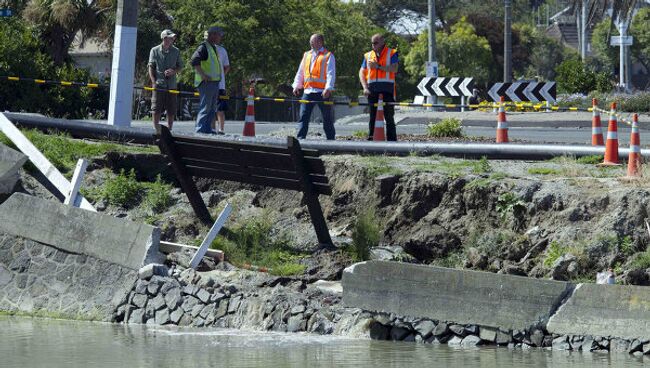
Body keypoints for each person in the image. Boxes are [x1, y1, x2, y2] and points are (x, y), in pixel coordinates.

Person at [292, 33, 336, 140]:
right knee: (303, 117)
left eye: (314, 41)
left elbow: (331, 73)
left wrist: (328, 88)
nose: (311, 43)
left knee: (327, 118)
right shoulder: (306, 55)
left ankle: (331, 141)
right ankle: (300, 140)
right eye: (311, 41)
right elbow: (301, 72)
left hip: (322, 92)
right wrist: (297, 86)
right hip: (308, 92)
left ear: (320, 42)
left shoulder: (328, 55)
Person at [359, 33, 399, 141]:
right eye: (372, 43)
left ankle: (392, 142)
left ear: (382, 42)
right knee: (372, 117)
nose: (373, 45)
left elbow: (394, 69)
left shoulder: (391, 53)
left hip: (387, 90)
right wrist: (365, 87)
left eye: (375, 43)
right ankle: (371, 139)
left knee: (389, 117)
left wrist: (378, 67)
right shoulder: (368, 56)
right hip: (372, 90)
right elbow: (362, 72)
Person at [148, 29, 183, 132]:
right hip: (159, 85)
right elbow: (151, 67)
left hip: (172, 85)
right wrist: (153, 82)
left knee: (171, 109)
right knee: (156, 108)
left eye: (172, 38)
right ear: (164, 38)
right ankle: (156, 129)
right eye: (170, 37)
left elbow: (180, 66)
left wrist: (173, 71)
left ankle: (169, 130)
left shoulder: (176, 51)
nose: (172, 39)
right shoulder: (154, 50)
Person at [191, 26, 223, 134]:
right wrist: (203, 75)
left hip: (214, 82)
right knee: (205, 107)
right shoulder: (203, 47)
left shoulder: (212, 47)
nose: (220, 38)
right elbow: (194, 61)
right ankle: (200, 130)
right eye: (219, 35)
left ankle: (208, 129)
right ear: (213, 35)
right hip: (206, 83)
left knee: (212, 108)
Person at [204, 30, 230, 135]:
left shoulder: (222, 50)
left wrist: (220, 76)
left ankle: (221, 129)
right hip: (208, 84)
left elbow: (227, 66)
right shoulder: (203, 49)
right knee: (210, 109)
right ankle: (212, 129)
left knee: (220, 108)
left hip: (220, 85)